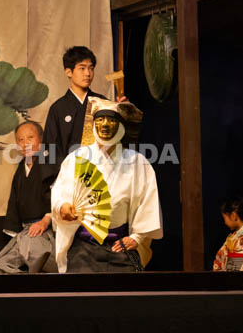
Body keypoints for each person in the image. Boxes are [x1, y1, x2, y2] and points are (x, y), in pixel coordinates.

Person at [51, 99, 162, 272]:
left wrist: (137, 237)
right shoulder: (77, 157)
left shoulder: (137, 162)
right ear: (93, 124)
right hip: (83, 245)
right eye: (100, 120)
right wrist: (61, 206)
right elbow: (60, 191)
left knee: (123, 296)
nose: (105, 125)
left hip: (120, 245)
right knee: (82, 296)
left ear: (120, 125)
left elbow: (147, 202)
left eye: (111, 120)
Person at [0, 121, 58, 273]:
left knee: (37, 261)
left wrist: (46, 221)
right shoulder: (21, 169)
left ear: (41, 141)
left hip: (45, 230)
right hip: (26, 232)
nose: (25, 143)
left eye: (30, 137)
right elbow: (14, 202)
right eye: (20, 140)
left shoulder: (52, 166)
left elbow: (61, 199)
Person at [42, 46, 102, 165]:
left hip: (100, 171)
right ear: (69, 72)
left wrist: (122, 112)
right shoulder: (58, 109)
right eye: (82, 68)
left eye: (91, 68)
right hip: (69, 174)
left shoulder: (101, 102)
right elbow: (51, 147)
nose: (88, 73)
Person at [213, 197, 243, 272]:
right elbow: (219, 259)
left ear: (233, 216)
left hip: (242, 280)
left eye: (224, 218)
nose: (225, 222)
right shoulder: (232, 237)